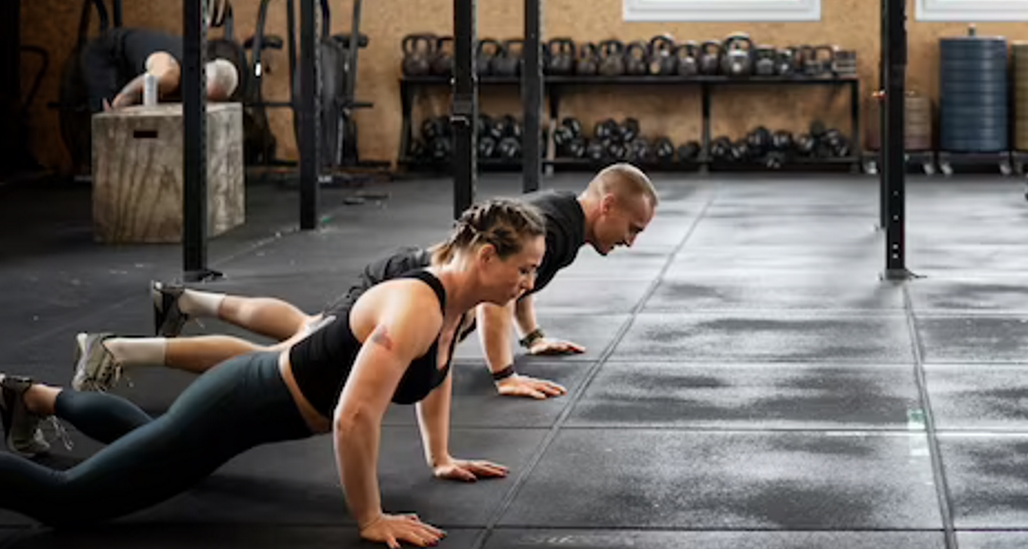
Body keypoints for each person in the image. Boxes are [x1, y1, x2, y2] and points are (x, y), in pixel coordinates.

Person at [0, 200, 548, 549]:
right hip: (245, 400)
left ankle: (30, 397)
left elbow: (435, 377)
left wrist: (440, 457)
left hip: (250, 409)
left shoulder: (451, 307)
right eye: (524, 267)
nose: (529, 280)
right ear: (485, 257)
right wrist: (368, 518)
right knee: (72, 503)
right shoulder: (416, 304)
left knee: (166, 448)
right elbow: (357, 417)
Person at [67, 165, 657, 405]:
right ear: (608, 206)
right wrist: (505, 375)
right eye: (632, 226)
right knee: (282, 361)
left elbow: (519, 286)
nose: (632, 240)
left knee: (304, 328)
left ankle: (185, 301)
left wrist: (535, 339)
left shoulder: (565, 224)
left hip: (407, 278)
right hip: (407, 285)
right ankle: (118, 349)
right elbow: (498, 299)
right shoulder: (556, 227)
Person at [81, 26, 239, 113]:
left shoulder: (198, 69)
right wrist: (118, 103)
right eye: (207, 97)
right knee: (108, 122)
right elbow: (135, 90)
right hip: (108, 58)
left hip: (137, 67)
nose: (207, 103)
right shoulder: (169, 73)